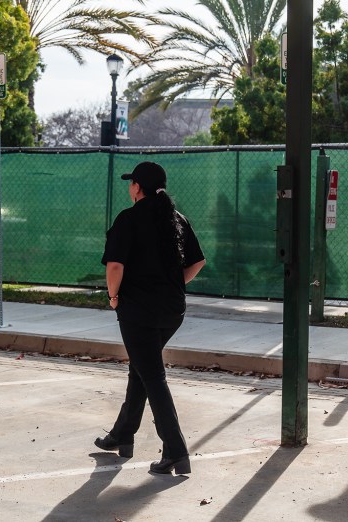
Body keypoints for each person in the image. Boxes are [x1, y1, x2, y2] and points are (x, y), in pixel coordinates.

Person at [96, 161, 206, 476]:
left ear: (138, 188)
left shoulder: (128, 220)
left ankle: (176, 451)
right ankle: (122, 435)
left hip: (138, 310)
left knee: (152, 375)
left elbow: (115, 267)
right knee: (141, 368)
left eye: (131, 183)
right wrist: (172, 284)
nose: (129, 187)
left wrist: (114, 297)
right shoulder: (177, 219)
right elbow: (198, 262)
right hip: (173, 310)